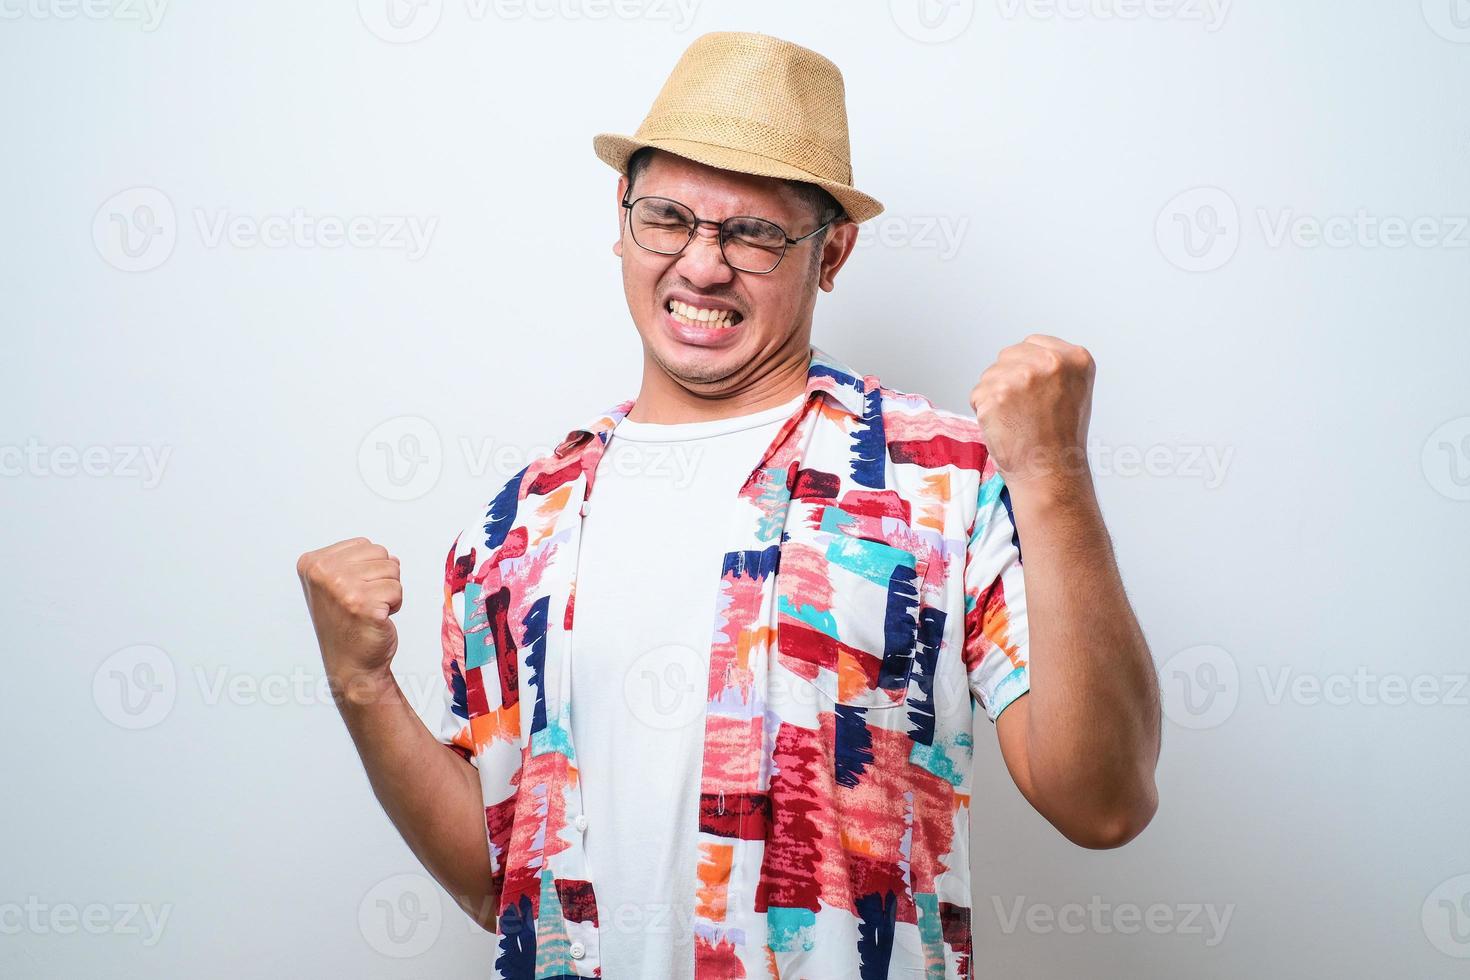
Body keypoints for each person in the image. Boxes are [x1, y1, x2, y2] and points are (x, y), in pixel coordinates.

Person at [297, 30, 1160, 980]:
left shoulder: (939, 477)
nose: (702, 267)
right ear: (622, 221)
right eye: (667, 217)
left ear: (832, 254)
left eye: (753, 233)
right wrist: (362, 688)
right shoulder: (516, 529)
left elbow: (1103, 803)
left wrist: (1055, 476)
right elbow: (500, 885)